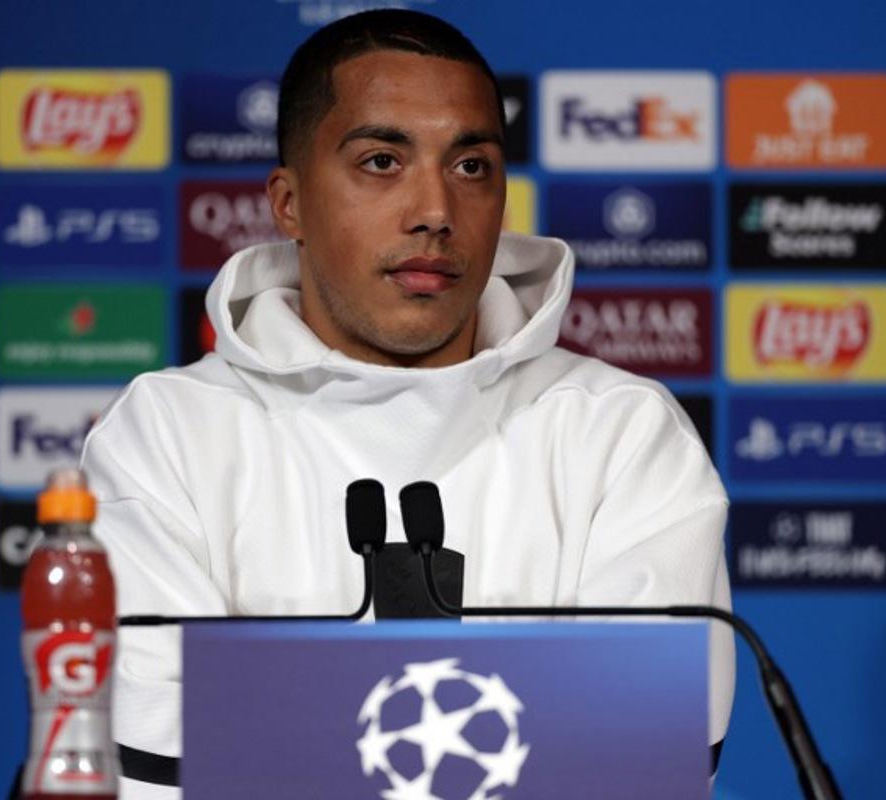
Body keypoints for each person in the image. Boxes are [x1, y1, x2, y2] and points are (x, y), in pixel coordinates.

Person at [80, 9, 734, 798]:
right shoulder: (165, 435)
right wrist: (537, 719)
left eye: (471, 167)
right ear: (289, 203)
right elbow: (148, 757)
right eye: (383, 161)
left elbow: (649, 753)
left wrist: (260, 716)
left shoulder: (621, 434)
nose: (435, 210)